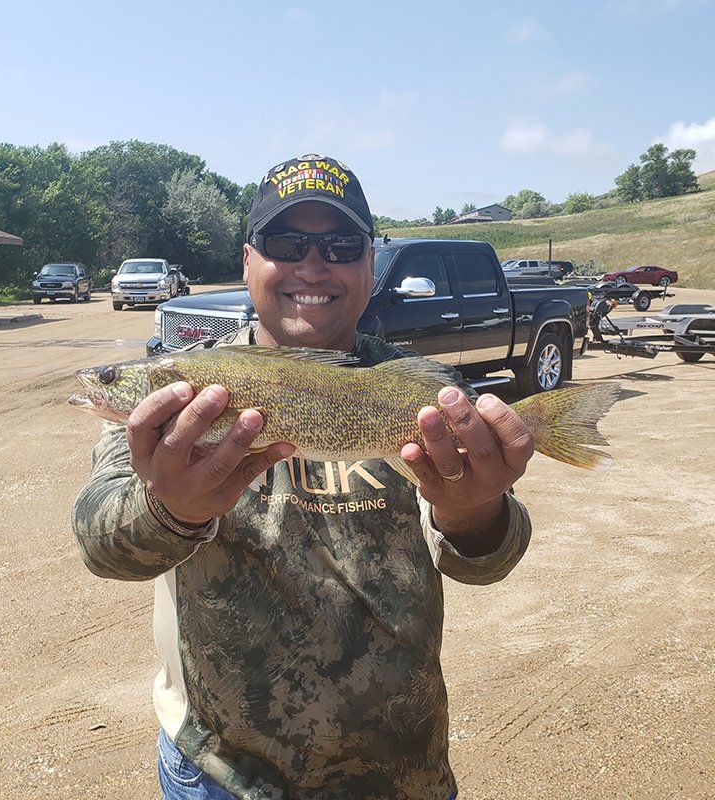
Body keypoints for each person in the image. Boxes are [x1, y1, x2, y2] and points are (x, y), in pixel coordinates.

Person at [72, 154, 535, 800]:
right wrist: (168, 510)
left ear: (371, 266)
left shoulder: (417, 391)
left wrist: (474, 512)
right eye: (287, 243)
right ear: (247, 262)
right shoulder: (179, 395)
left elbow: (486, 561)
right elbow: (99, 540)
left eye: (341, 245)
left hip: (404, 776)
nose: (313, 265)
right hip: (223, 775)